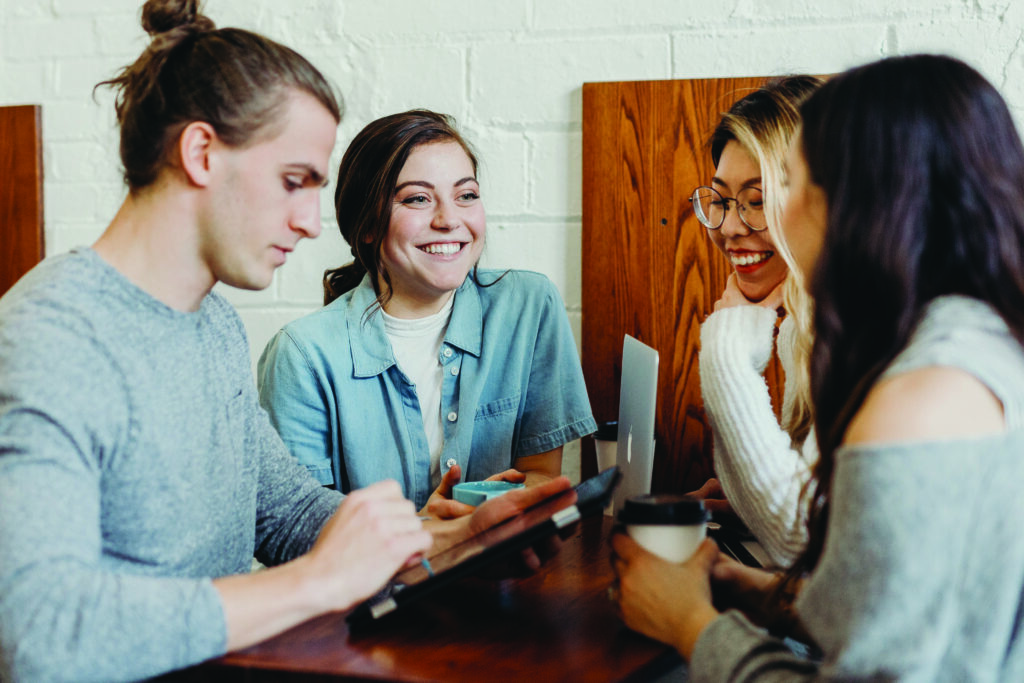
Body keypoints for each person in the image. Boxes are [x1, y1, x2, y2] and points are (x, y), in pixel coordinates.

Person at [0, 3, 570, 680]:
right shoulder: (50, 338)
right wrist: (318, 583)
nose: (308, 222)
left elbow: (288, 511)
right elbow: (39, 632)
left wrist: (437, 542)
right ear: (201, 153)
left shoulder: (210, 323)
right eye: (293, 181)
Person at [612, 53, 1024, 680]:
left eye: (791, 183)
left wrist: (690, 624)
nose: (752, 222)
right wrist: (759, 594)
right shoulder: (976, 343)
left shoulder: (920, 397)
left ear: (861, 201)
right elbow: (907, 617)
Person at [257, 109, 597, 517]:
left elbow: (541, 475)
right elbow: (300, 529)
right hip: (377, 581)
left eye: (466, 195)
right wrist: (428, 531)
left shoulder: (528, 306)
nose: (449, 219)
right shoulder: (302, 355)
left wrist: (487, 511)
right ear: (366, 224)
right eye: (418, 198)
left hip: (503, 572)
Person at [688, 76, 821, 567]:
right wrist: (747, 500)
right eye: (720, 200)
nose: (728, 227)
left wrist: (725, 349)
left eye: (758, 199)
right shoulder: (803, 326)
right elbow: (812, 520)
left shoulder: (864, 330)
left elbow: (800, 541)